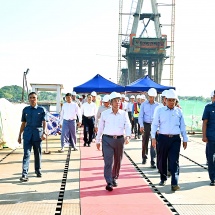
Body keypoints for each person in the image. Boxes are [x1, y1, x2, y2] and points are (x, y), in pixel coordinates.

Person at [151, 89, 188, 191]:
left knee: (174, 161)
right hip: (162, 138)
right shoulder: (160, 111)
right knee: (162, 160)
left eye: (174, 100)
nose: (172, 102)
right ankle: (163, 177)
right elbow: (154, 125)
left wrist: (185, 139)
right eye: (170, 100)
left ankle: (174, 183)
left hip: (175, 139)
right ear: (165, 100)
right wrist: (153, 138)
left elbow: (183, 126)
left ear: (176, 101)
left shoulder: (179, 112)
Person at [96, 92, 131, 191]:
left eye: (119, 100)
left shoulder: (124, 114)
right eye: (115, 101)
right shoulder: (104, 114)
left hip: (119, 140)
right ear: (111, 102)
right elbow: (101, 128)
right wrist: (97, 140)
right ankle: (109, 181)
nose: (117, 102)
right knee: (108, 161)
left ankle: (114, 177)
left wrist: (128, 136)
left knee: (117, 161)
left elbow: (128, 125)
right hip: (107, 140)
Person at [18, 92, 47, 182]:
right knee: (26, 154)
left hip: (37, 135)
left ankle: (38, 170)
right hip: (27, 135)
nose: (32, 99)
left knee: (37, 154)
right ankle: (24, 174)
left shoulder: (42, 109)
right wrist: (19, 135)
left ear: (37, 99)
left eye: (34, 97)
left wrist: (44, 132)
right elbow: (23, 123)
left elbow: (44, 122)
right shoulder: (25, 110)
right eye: (30, 97)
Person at [138, 88, 159, 168]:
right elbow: (140, 116)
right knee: (145, 141)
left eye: (153, 97)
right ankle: (144, 156)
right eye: (150, 97)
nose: (151, 98)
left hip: (154, 125)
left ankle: (153, 160)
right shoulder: (144, 104)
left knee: (154, 143)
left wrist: (158, 128)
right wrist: (141, 125)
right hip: (146, 125)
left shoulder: (158, 105)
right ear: (148, 96)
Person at [202, 90, 215, 186]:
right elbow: (205, 122)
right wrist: (204, 136)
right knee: (210, 158)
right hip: (211, 138)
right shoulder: (208, 107)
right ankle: (212, 178)